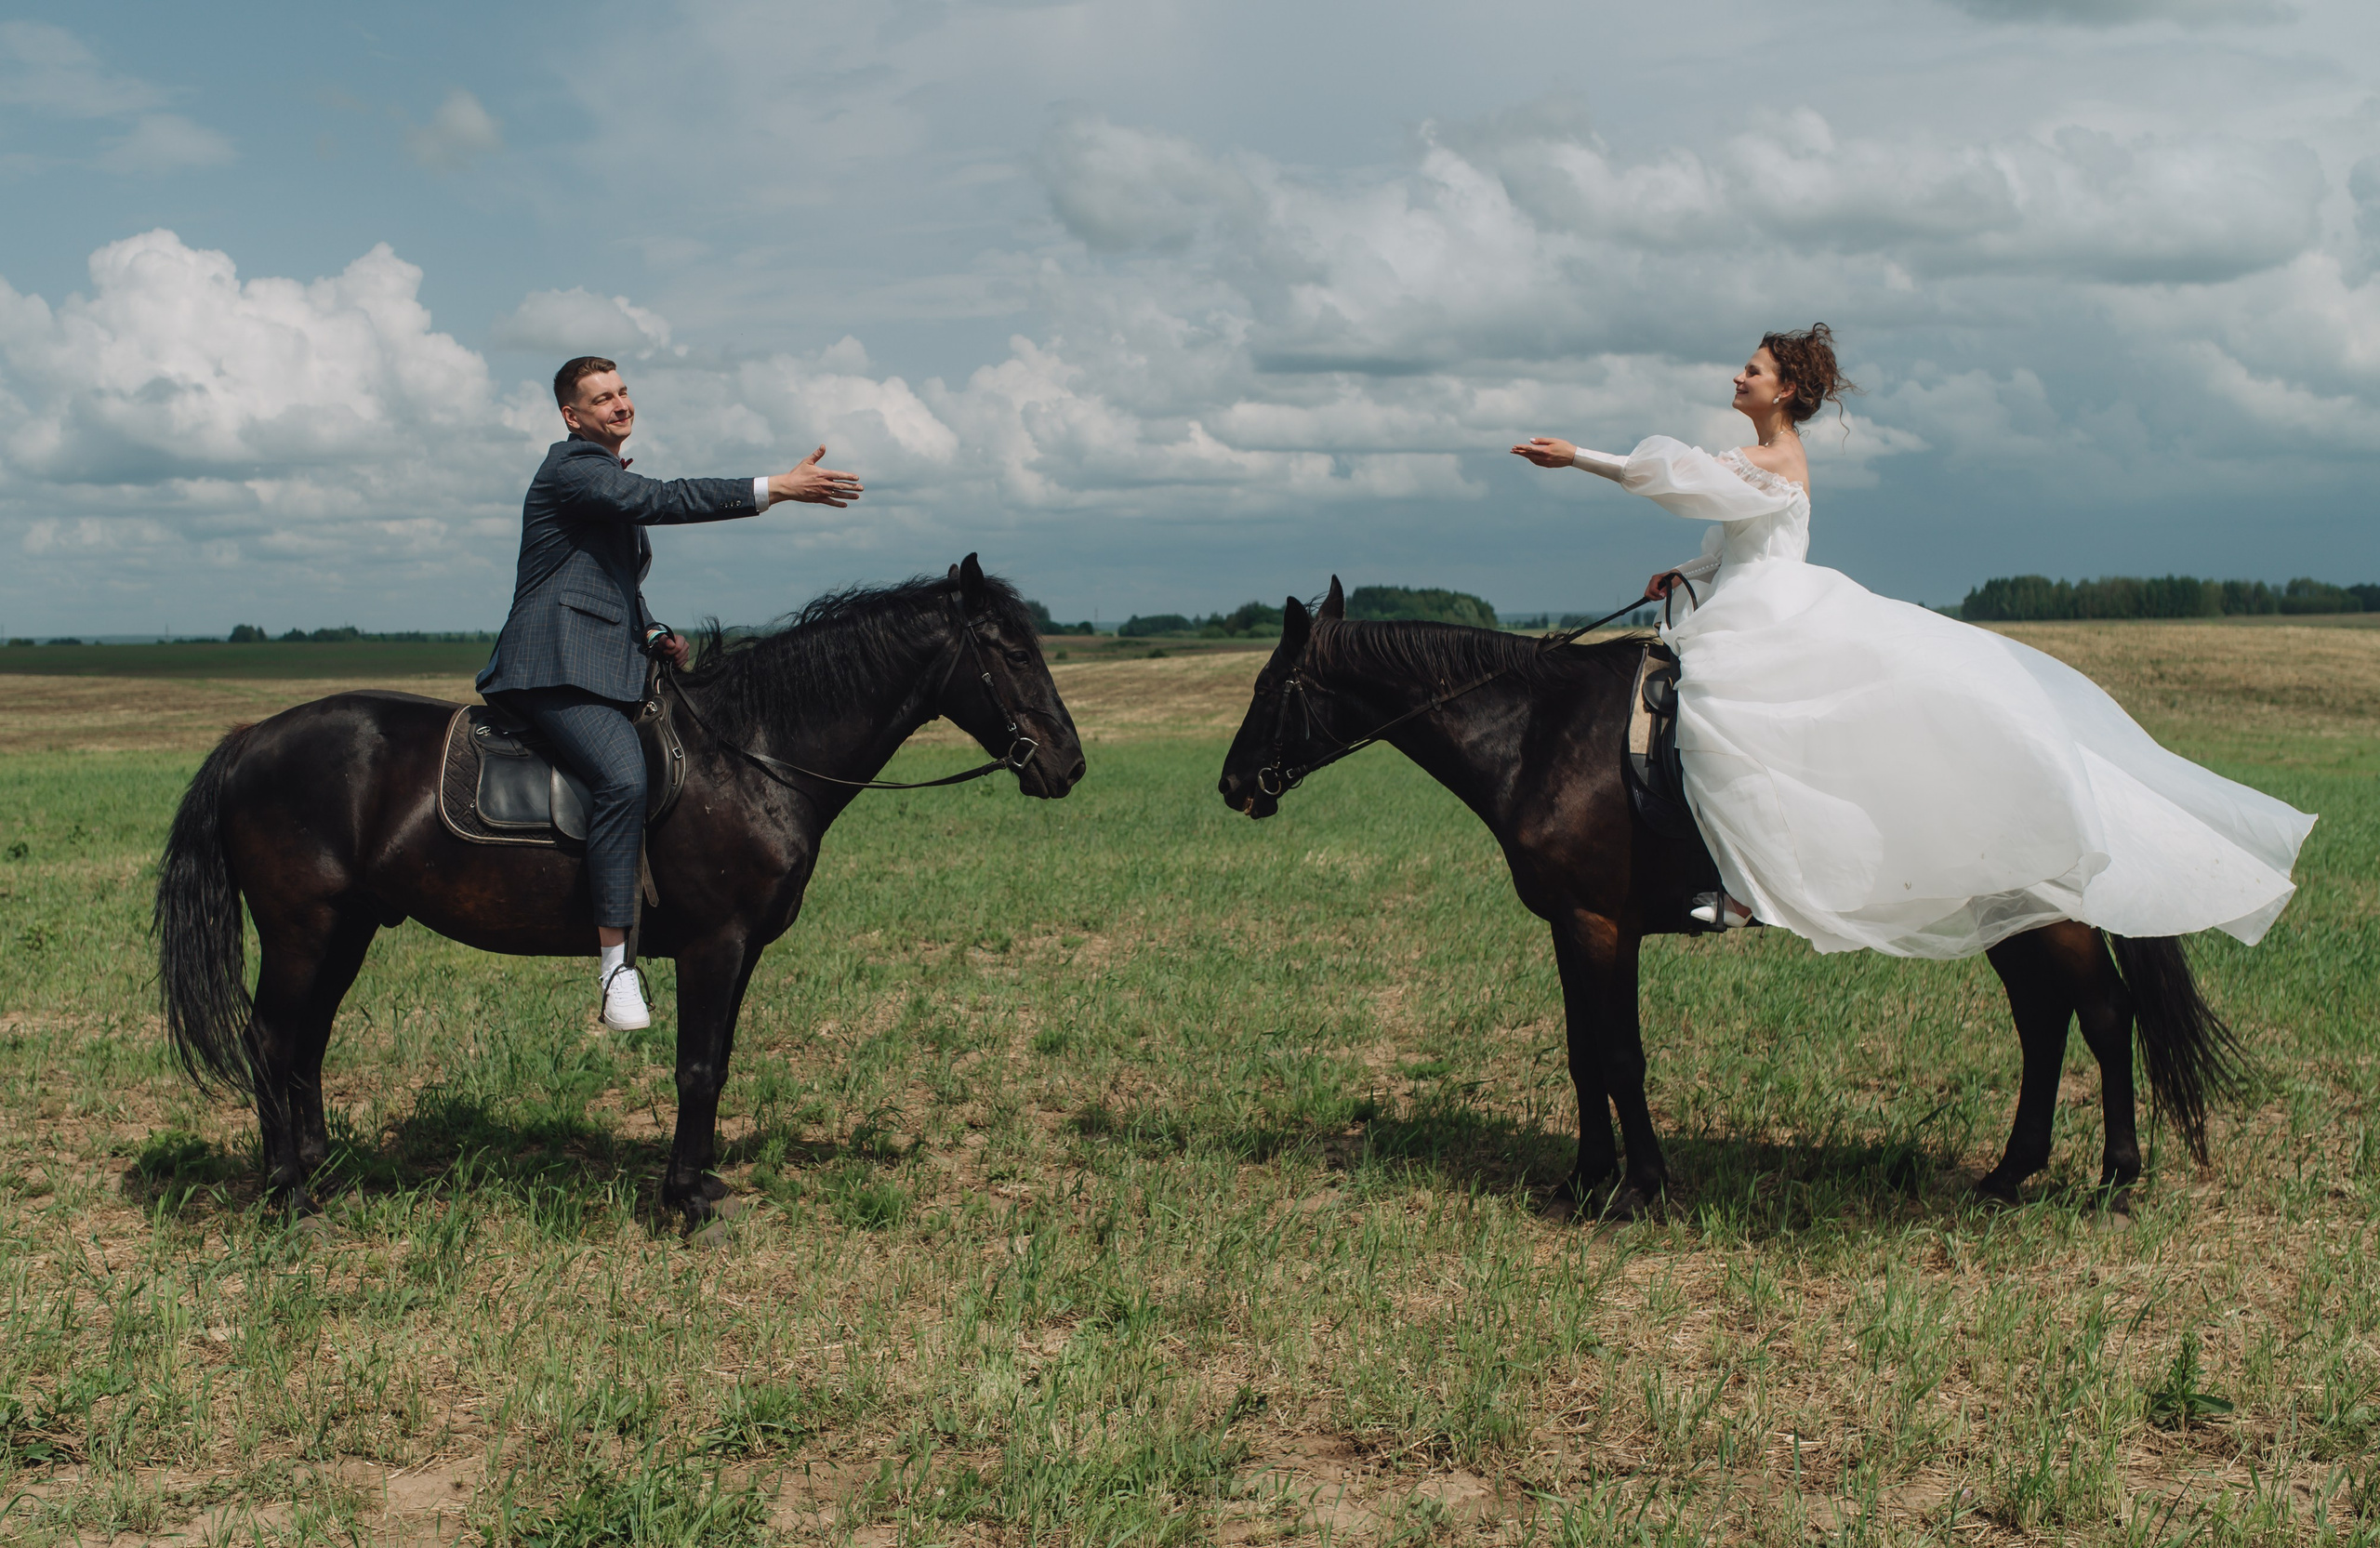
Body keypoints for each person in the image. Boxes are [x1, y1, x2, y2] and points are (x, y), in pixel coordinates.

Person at [1511, 324, 2313, 958]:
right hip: (1746, 594)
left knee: (1723, 718)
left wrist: (1581, 458)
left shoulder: (1770, 458)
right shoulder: (1762, 463)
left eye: (1751, 370)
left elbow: (1680, 479)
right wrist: (1685, 572)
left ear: (1783, 390)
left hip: (1769, 611)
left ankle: (1743, 888)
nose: (1737, 377)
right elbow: (1733, 539)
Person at [478, 355, 864, 1028]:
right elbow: (665, 498)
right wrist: (775, 488)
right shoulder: (573, 469)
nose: (620, 404)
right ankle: (615, 968)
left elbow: (607, 584)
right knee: (623, 777)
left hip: (609, 665)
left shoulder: (601, 478)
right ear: (572, 416)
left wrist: (651, 630)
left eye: (623, 391)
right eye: (602, 398)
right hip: (553, 668)